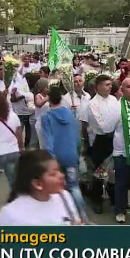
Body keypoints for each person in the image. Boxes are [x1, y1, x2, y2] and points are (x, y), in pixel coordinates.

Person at [0, 150, 81, 258]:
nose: (61, 175)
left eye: (59, 170)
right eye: (53, 174)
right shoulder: (11, 213)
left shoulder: (64, 197)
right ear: (37, 184)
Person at [42, 86, 87, 219]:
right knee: (74, 187)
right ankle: (83, 217)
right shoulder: (69, 113)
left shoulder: (47, 117)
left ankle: (61, 216)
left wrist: (50, 158)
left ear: (49, 99)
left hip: (56, 157)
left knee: (57, 188)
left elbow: (48, 140)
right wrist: (78, 152)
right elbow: (77, 135)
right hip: (71, 155)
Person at [79, 74, 120, 214]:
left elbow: (119, 117)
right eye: (106, 85)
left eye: (110, 84)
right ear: (97, 87)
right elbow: (101, 125)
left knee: (113, 171)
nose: (110, 87)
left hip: (114, 138)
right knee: (98, 172)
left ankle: (115, 199)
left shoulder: (114, 99)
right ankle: (96, 200)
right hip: (100, 140)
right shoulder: (92, 104)